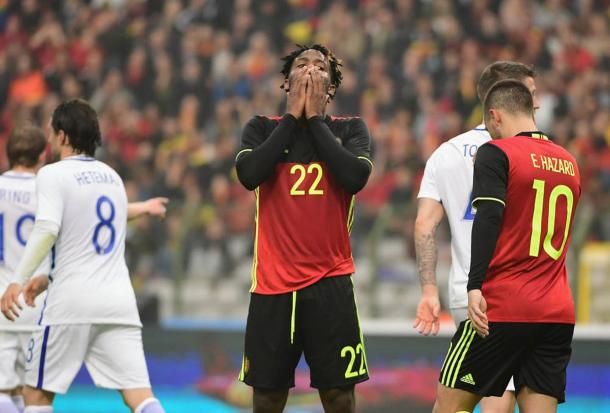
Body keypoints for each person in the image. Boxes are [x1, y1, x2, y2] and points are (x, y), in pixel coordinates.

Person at [0, 100, 167, 413]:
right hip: (119, 303)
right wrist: (46, 279)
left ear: (63, 136)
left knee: (35, 396)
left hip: (71, 303)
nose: (49, 137)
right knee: (141, 397)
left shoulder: (52, 175)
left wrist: (16, 280)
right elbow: (89, 238)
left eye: (52, 130)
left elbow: (48, 229)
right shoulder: (113, 178)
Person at [235, 44, 373, 413]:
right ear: (286, 83)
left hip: (331, 282)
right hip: (272, 284)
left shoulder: (351, 129)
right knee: (267, 395)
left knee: (338, 394)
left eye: (320, 67)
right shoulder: (261, 127)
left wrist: (313, 121)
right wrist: (293, 120)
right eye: (301, 65)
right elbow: (249, 175)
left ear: (331, 87)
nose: (310, 71)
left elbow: (355, 177)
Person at [434, 79, 581, 413]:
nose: (490, 134)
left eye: (490, 127)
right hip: (556, 311)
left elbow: (488, 218)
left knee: (448, 405)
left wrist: (474, 287)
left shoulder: (497, 152)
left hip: (503, 305)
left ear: (495, 116)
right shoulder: (569, 162)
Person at [413, 61, 539, 412]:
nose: (536, 104)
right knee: (501, 393)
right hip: (508, 292)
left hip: (463, 291)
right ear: (505, 96)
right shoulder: (531, 154)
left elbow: (425, 225)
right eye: (529, 93)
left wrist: (427, 290)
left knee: (479, 390)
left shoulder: (446, 153)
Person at [0, 127, 50, 413]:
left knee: (3, 388)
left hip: (1, 301)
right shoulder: (49, 192)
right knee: (31, 393)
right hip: (37, 303)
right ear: (42, 154)